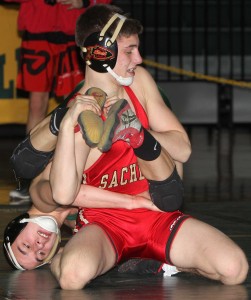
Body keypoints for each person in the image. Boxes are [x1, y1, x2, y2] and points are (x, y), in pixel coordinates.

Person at [5, 4, 248, 289]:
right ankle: (70, 258)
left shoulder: (140, 82)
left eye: (137, 49)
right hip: (106, 225)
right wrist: (71, 131)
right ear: (100, 52)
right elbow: (62, 192)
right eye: (130, 51)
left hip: (156, 215)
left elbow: (183, 148)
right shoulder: (82, 114)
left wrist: (137, 130)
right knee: (72, 276)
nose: (139, 58)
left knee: (236, 269)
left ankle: (159, 261)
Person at [4, 0, 111, 205]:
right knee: (37, 103)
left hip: (73, 34)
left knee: (76, 102)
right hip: (38, 32)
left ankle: (78, 172)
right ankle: (30, 175)